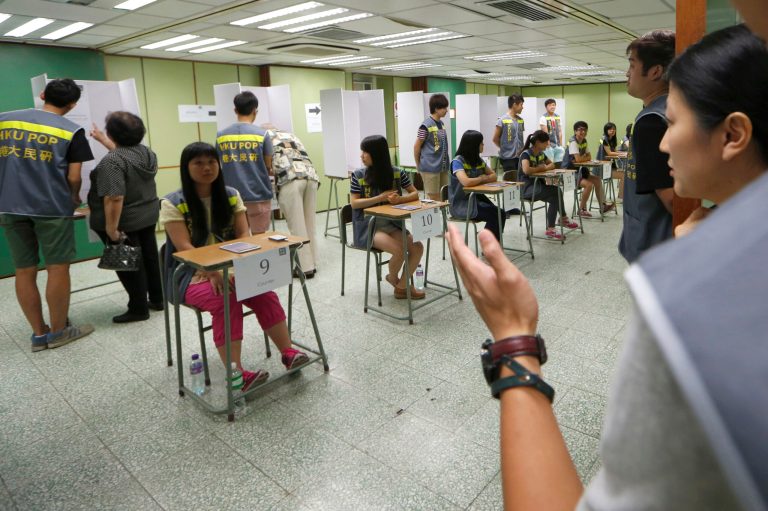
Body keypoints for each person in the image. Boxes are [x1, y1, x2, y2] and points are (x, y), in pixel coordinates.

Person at [445, 22, 768, 511]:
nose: (661, 143)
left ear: (733, 134)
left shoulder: (692, 300)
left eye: (674, 123)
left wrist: (514, 341)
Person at [161, 142, 309, 390]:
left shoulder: (231, 195)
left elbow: (243, 236)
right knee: (225, 300)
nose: (206, 168)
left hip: (231, 268)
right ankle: (236, 374)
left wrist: (231, 269)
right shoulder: (173, 203)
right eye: (198, 163)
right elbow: (185, 248)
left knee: (263, 291)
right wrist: (212, 271)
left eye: (211, 162)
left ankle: (288, 352)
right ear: (186, 168)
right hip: (189, 274)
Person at [0, 78, 95, 351]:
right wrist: (74, 197)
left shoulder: (5, 121)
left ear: (42, 94)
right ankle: (58, 332)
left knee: (24, 270)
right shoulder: (71, 130)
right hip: (51, 207)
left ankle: (38, 334)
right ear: (73, 104)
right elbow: (74, 177)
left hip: (9, 205)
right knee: (57, 267)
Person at [88, 112, 162, 323]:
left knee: (127, 264)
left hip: (124, 221)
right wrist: (104, 140)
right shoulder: (146, 153)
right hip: (147, 214)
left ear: (113, 133)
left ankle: (138, 308)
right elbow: (125, 161)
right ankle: (158, 298)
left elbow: (114, 197)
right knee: (149, 257)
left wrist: (111, 229)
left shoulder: (112, 161)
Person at [618, 29, 676, 263]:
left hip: (655, 247)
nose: (627, 73)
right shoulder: (666, 109)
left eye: (632, 65)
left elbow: (672, 199)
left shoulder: (651, 122)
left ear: (655, 71)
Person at [351, 135, 425, 300]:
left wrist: (401, 199)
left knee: (417, 248)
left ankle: (401, 286)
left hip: (392, 223)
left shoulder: (397, 172)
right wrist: (379, 198)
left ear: (376, 154)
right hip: (369, 226)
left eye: (365, 152)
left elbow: (415, 193)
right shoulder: (358, 175)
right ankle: (394, 278)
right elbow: (355, 204)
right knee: (399, 251)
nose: (361, 156)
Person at [264, 125, 319, 279]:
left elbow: (267, 165)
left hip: (289, 179)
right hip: (310, 177)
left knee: (297, 225)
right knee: (310, 224)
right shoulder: (291, 135)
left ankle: (305, 268)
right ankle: (313, 262)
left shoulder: (264, 137)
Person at [215, 91, 274, 234]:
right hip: (258, 195)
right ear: (255, 111)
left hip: (232, 196)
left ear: (235, 110)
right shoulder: (263, 135)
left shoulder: (221, 136)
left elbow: (216, 164)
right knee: (260, 238)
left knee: (239, 239)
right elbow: (268, 166)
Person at [518, 130, 578, 241]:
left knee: (555, 197)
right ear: (537, 142)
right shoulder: (526, 154)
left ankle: (551, 228)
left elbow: (552, 164)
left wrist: (542, 168)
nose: (547, 144)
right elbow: (526, 170)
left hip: (538, 186)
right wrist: (541, 168)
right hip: (526, 189)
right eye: (545, 142)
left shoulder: (540, 154)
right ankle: (563, 219)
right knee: (556, 191)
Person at [448, 130, 506, 241]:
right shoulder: (457, 161)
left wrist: (482, 179)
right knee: (495, 215)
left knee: (501, 213)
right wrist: (482, 178)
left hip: (474, 198)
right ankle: (489, 245)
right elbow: (466, 182)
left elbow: (494, 176)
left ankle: (490, 242)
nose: (483, 145)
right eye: (481, 143)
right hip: (461, 204)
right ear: (473, 145)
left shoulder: (478, 160)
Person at [562, 121, 615, 218]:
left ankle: (602, 206)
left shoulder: (584, 141)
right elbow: (578, 159)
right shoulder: (573, 142)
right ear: (575, 131)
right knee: (589, 185)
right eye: (580, 130)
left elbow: (588, 157)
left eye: (585, 130)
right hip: (569, 173)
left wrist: (582, 158)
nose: (583, 132)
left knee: (597, 180)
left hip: (579, 171)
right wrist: (582, 158)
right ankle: (581, 209)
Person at [414, 93, 450, 202]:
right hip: (430, 167)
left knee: (444, 193)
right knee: (434, 196)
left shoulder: (441, 124)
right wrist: (418, 165)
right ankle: (438, 217)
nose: (446, 110)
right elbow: (416, 147)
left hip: (442, 166)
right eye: (443, 108)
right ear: (436, 109)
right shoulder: (425, 125)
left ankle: (443, 218)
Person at [493, 94, 525, 177]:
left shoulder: (521, 120)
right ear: (514, 105)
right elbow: (495, 139)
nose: (522, 107)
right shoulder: (502, 120)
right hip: (507, 157)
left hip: (520, 156)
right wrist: (504, 147)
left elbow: (521, 137)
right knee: (511, 181)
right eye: (521, 104)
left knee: (520, 179)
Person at [597, 122, 625, 200]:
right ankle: (621, 196)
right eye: (610, 129)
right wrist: (622, 154)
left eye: (614, 129)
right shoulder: (603, 139)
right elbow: (609, 153)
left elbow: (614, 151)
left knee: (624, 173)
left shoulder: (612, 139)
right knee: (623, 175)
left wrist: (623, 153)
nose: (612, 131)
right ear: (606, 130)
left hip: (610, 165)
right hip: (603, 167)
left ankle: (621, 195)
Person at [538, 98, 565, 167]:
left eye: (553, 105)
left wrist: (561, 144)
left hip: (558, 145)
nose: (552, 107)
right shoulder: (543, 117)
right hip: (548, 146)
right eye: (550, 105)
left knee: (559, 165)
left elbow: (560, 131)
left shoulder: (557, 117)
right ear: (546, 107)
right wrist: (548, 145)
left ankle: (557, 178)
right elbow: (545, 133)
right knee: (550, 165)